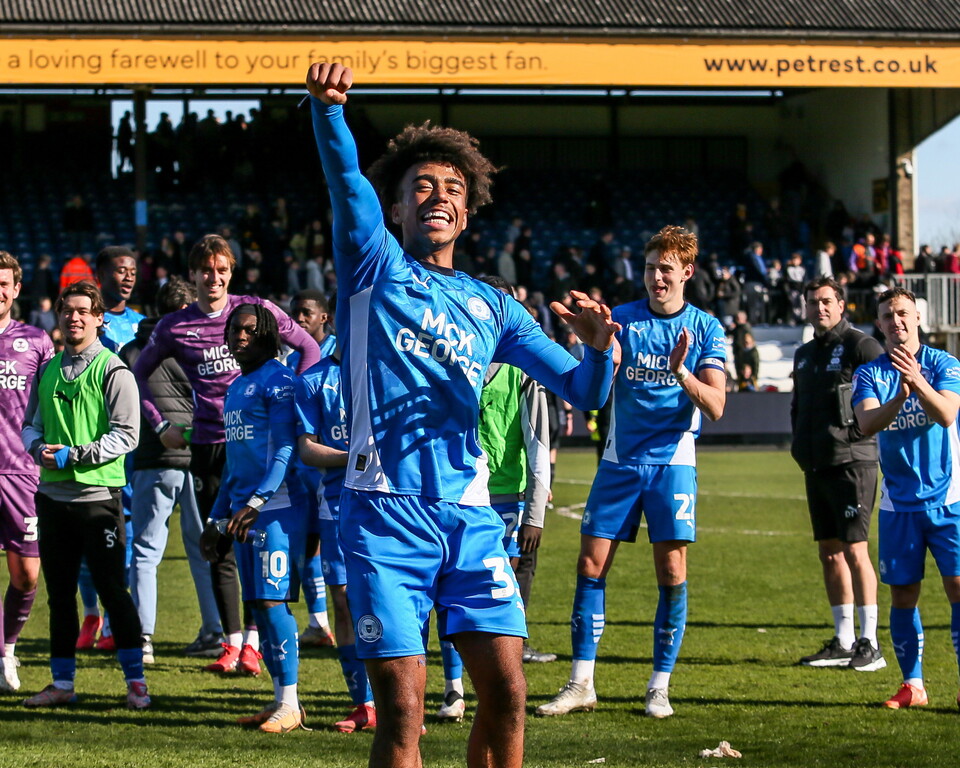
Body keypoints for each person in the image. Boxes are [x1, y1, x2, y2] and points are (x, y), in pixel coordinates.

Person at [306, 62, 617, 768]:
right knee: (404, 713)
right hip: (383, 513)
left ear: (468, 212)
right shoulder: (372, 264)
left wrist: (601, 352)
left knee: (507, 693)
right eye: (422, 186)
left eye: (452, 188)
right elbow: (346, 182)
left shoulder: (497, 307)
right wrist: (328, 112)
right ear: (399, 209)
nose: (437, 195)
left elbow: (586, 392)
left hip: (473, 517)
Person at [536, 225, 726, 720]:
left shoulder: (706, 327)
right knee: (589, 566)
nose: (656, 277)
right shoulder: (622, 319)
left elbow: (718, 405)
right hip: (619, 462)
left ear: (687, 272)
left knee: (671, 572)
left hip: (673, 464)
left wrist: (682, 371)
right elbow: (602, 372)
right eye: (649, 268)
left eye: (666, 269)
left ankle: (659, 686)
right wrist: (597, 346)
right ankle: (581, 682)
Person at [132, 234, 320, 669]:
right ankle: (232, 643)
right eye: (205, 270)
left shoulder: (257, 311)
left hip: (261, 448)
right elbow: (136, 376)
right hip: (209, 447)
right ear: (193, 274)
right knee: (218, 543)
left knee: (260, 541)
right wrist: (160, 425)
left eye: (221, 270)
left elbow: (308, 346)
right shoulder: (175, 326)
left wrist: (298, 404)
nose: (213, 278)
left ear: (231, 272)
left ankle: (254, 643)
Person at [20, 281, 148, 709]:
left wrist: (75, 455)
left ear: (98, 318)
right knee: (59, 596)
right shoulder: (49, 368)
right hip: (53, 499)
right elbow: (30, 426)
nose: (73, 318)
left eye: (82, 311)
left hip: (97, 499)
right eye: (66, 310)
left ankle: (136, 683)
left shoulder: (114, 370)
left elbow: (127, 435)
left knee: (113, 590)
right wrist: (38, 448)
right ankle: (62, 683)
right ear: (58, 316)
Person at [436, 274, 554, 724]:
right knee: (447, 595)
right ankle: (452, 690)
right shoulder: (449, 361)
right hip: (453, 496)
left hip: (506, 500)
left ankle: (496, 689)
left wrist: (536, 514)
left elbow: (538, 445)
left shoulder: (523, 374)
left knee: (497, 603)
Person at [200, 304, 308, 733]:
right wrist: (216, 517)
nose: (240, 337)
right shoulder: (238, 384)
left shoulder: (280, 380)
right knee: (258, 605)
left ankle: (292, 704)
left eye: (249, 330)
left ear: (267, 335)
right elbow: (234, 462)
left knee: (272, 601)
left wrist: (258, 502)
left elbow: (285, 448)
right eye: (234, 330)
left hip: (276, 511)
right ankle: (280, 699)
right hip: (244, 514)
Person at [853, 287, 960, 709]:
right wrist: (899, 395)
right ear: (878, 325)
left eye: (902, 313)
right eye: (886, 316)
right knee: (902, 595)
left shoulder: (944, 363)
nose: (895, 321)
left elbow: (947, 413)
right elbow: (865, 423)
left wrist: (917, 382)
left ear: (917, 317)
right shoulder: (870, 374)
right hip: (899, 506)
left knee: (957, 587)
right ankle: (913, 685)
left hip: (950, 499)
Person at [122, 276, 222, 664]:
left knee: (146, 550)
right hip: (197, 455)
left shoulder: (131, 351)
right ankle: (215, 631)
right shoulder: (196, 344)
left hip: (154, 457)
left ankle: (143, 637)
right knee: (205, 549)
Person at [791, 277, 886, 671]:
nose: (820, 308)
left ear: (842, 305)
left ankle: (871, 642)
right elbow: (798, 407)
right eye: (813, 303)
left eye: (827, 301)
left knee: (855, 550)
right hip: (817, 464)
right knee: (829, 553)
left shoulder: (862, 346)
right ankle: (844, 639)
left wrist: (855, 436)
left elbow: (883, 398)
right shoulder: (804, 353)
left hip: (853, 463)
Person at [296, 304, 377, 733]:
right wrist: (355, 459)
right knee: (343, 600)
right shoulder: (313, 379)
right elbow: (307, 448)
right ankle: (363, 703)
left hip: (389, 505)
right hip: (337, 505)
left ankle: (402, 703)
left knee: (389, 600)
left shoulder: (389, 369)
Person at [77, 245, 146, 652]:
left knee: (127, 536)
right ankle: (91, 613)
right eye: (120, 270)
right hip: (90, 443)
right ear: (101, 274)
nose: (128, 276)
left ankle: (116, 620)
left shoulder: (142, 326)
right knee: (88, 533)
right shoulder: (84, 324)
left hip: (131, 448)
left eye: (133, 270)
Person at [0, 252, 55, 691]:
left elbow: (52, 403)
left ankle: (8, 650)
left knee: (27, 575)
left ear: (17, 290)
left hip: (22, 473)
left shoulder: (36, 341)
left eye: (5, 283)